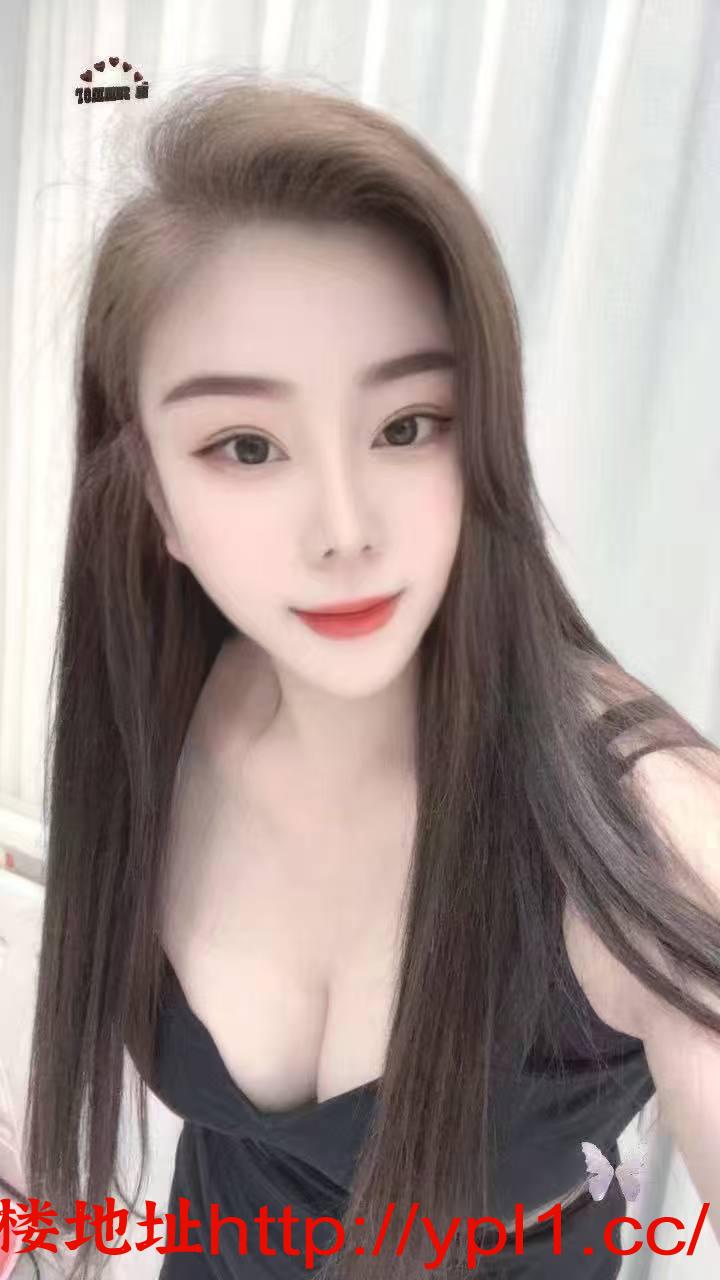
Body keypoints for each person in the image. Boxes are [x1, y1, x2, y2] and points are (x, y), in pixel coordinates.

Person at [22, 72, 720, 1280]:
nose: (345, 529)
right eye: (247, 445)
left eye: (406, 424)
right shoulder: (158, 715)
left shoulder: (642, 835)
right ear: (153, 503)